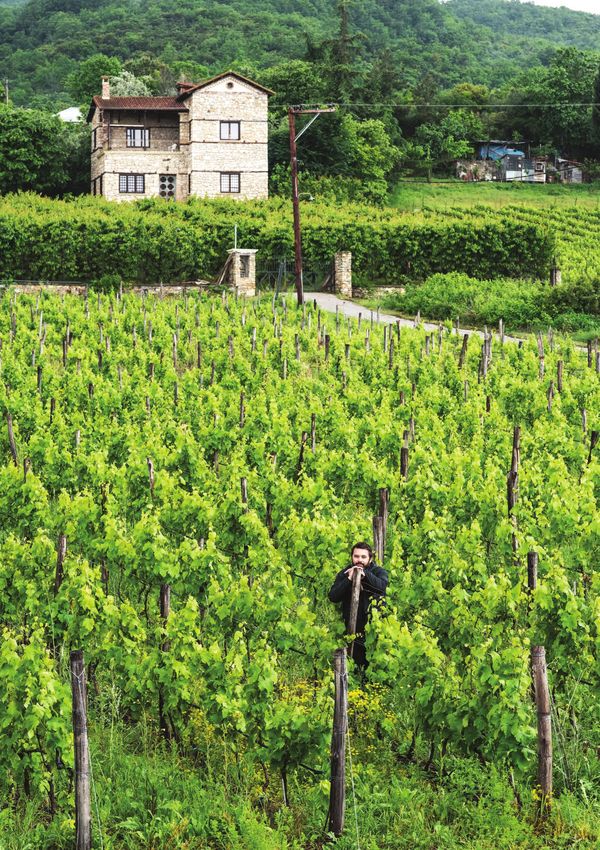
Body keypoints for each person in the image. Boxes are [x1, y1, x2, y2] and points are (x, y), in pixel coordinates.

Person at [328, 541, 388, 668]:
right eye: (356, 556)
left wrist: (365, 574)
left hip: (374, 629)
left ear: (370, 558)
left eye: (363, 557)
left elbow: (382, 587)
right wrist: (349, 579)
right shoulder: (345, 573)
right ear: (352, 557)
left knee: (373, 666)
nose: (359, 560)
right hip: (351, 629)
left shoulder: (379, 572)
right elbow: (333, 596)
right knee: (354, 664)